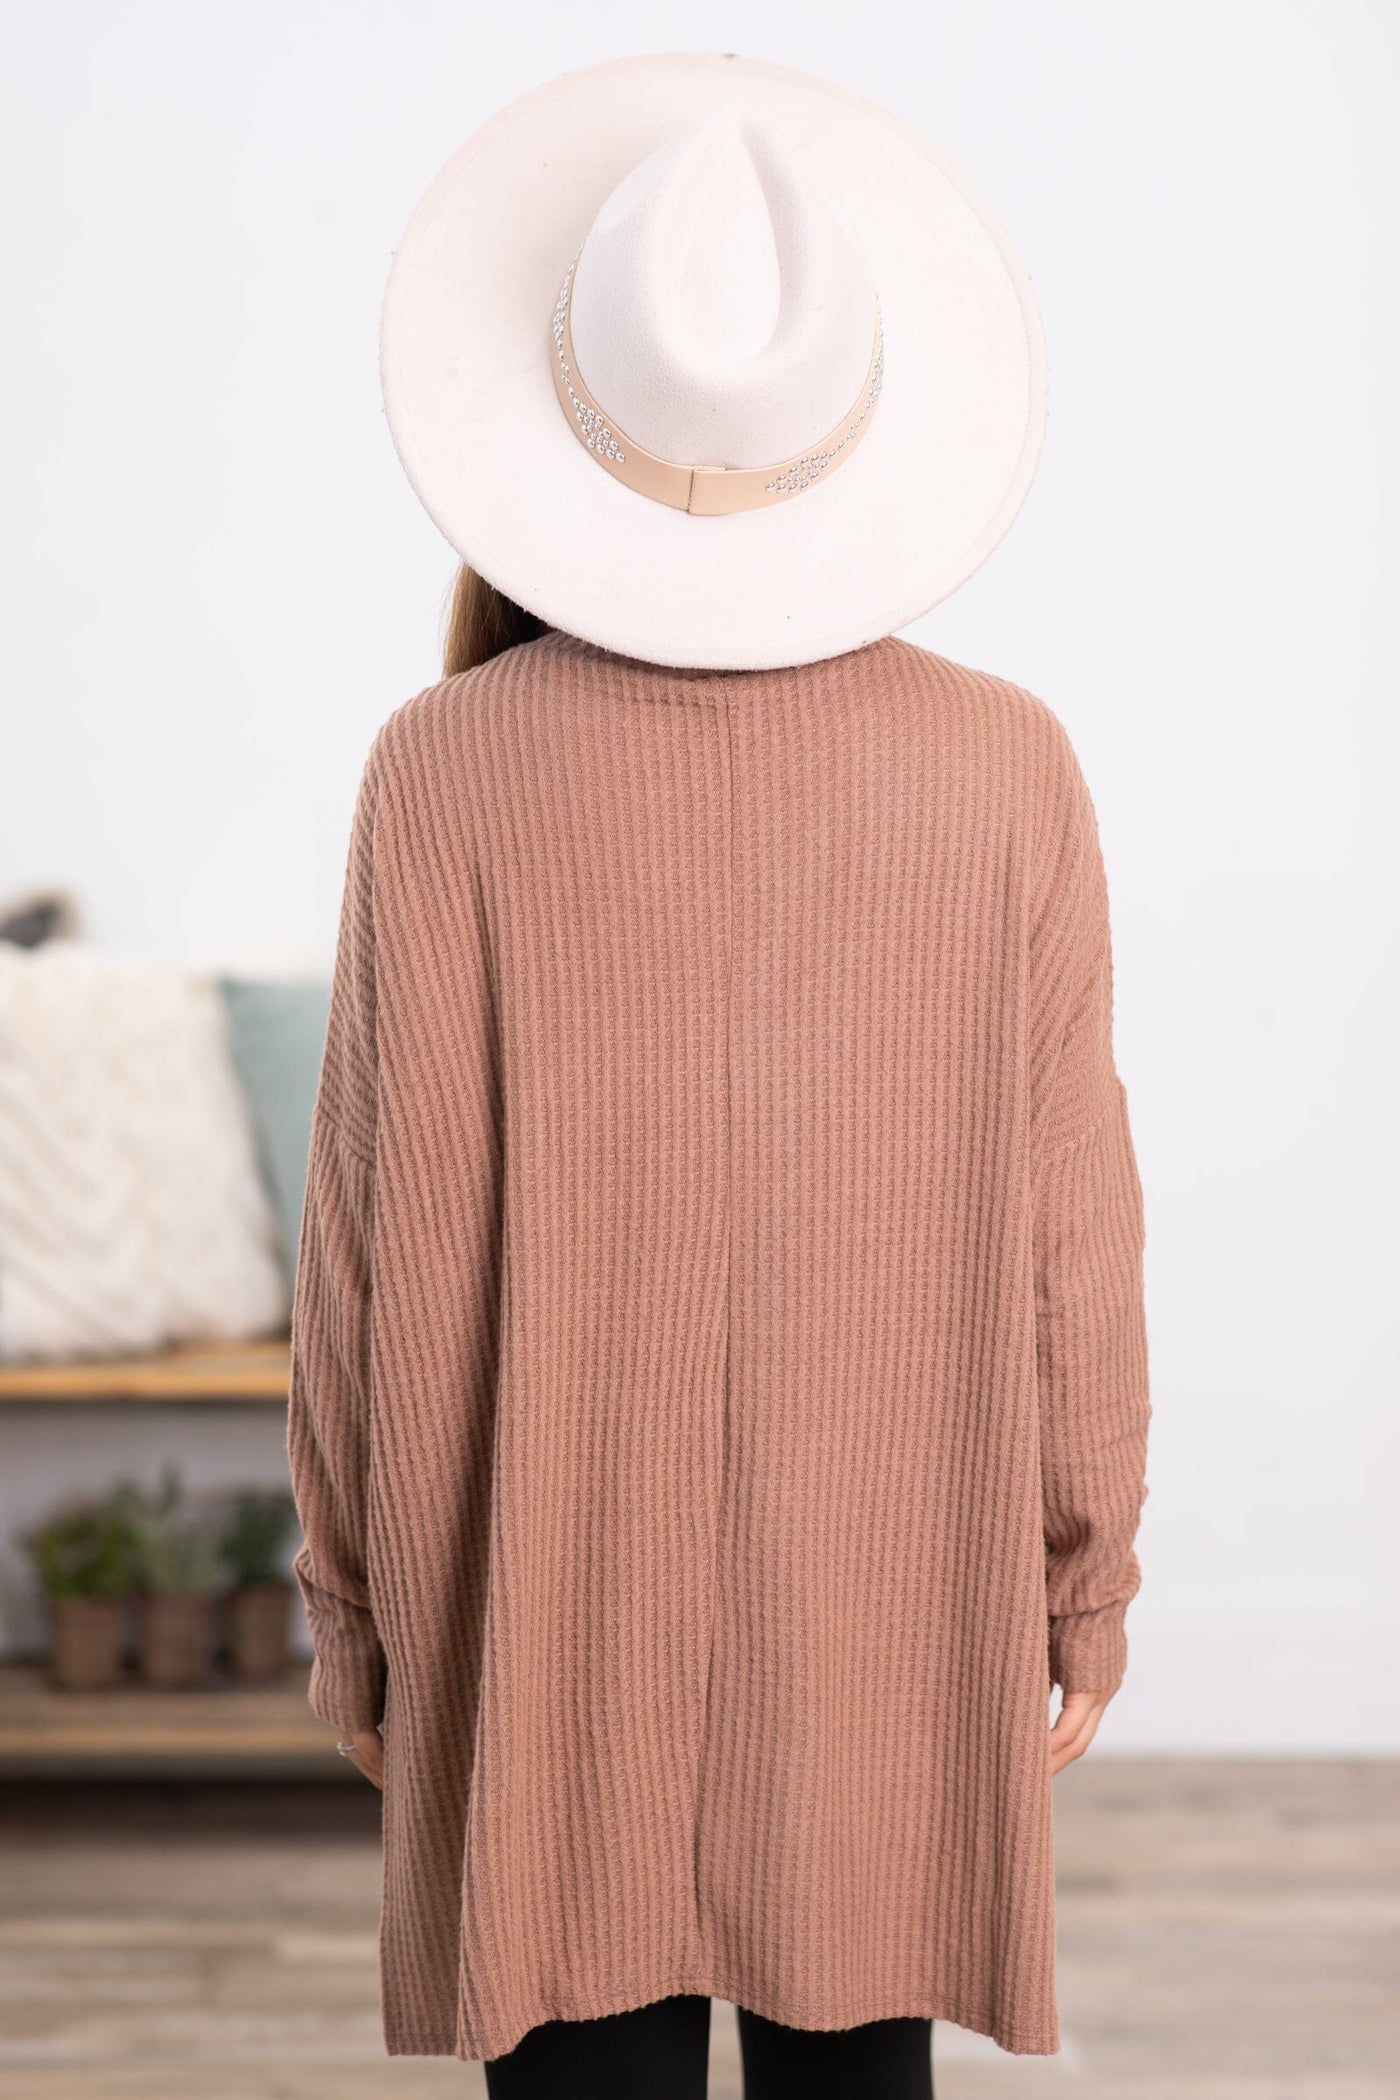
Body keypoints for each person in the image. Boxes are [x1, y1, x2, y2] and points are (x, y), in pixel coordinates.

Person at [286, 52, 1152, 2100]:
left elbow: (368, 1255)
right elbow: (1073, 1236)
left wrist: (361, 1606)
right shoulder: (1003, 767)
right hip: (881, 1605)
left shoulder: (443, 770)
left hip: (547, 1614)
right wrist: (1079, 1573)